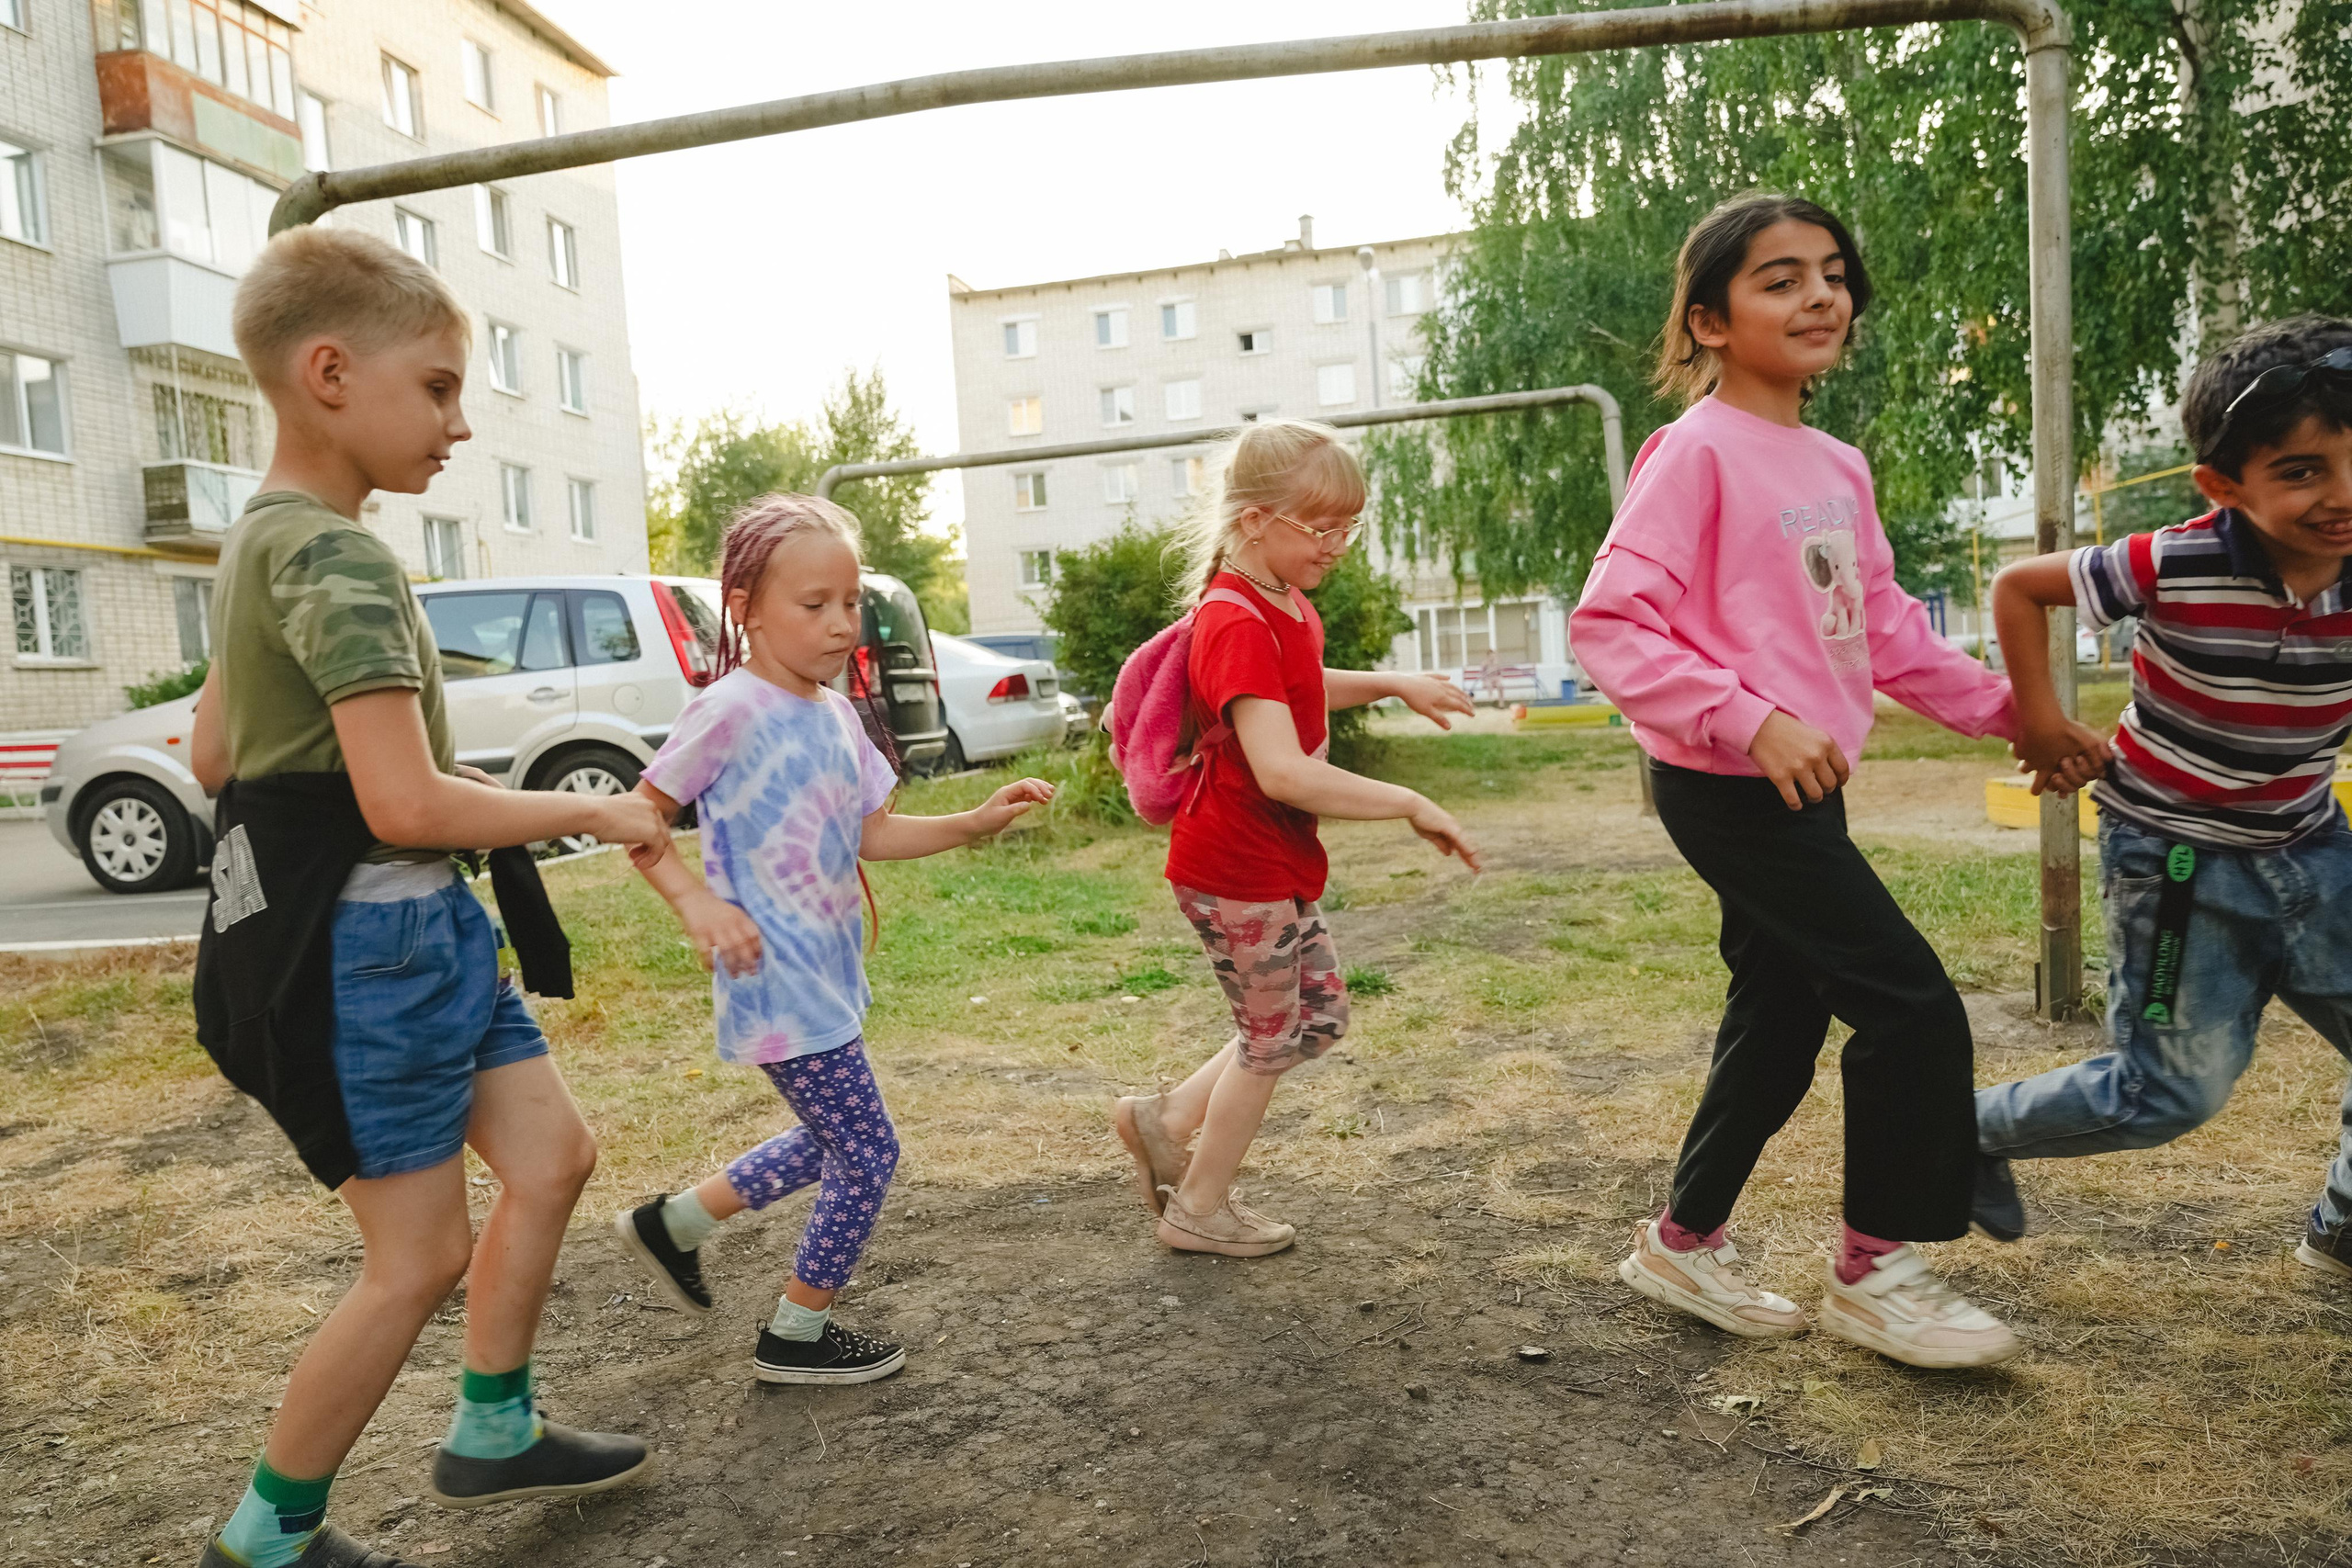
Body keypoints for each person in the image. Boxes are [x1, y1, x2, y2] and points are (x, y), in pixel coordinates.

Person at [189, 226, 671, 1568]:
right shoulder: (336, 560)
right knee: (413, 1260)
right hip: (373, 947)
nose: (462, 422)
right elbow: (403, 807)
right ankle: (266, 1533)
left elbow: (219, 756)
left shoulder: (266, 541)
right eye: (442, 386)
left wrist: (430, 777)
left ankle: (496, 1428)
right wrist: (587, 802)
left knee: (553, 1156)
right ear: (330, 371)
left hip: (417, 931)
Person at [1569, 193, 2108, 1370]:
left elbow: (1886, 634)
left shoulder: (1834, 464)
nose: (1818, 295)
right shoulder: (1696, 452)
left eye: (1831, 273)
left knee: (1780, 1015)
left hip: (1808, 782)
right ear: (1709, 322)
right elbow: (1613, 625)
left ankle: (1682, 1239)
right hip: (1728, 784)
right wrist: (1749, 719)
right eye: (1778, 279)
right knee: (1910, 1007)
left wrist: (2023, 720)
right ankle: (1876, 1269)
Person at [610, 494, 1054, 1382]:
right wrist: (696, 904)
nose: (841, 624)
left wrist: (970, 822)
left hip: (826, 970)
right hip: (771, 976)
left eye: (850, 603)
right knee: (870, 1150)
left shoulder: (838, 716)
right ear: (745, 605)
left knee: (834, 1137)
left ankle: (676, 1223)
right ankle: (795, 1334)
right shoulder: (729, 709)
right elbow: (636, 819)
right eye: (814, 605)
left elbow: (870, 834)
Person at [1973, 317, 2352, 1277]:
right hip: (2179, 862)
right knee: (2167, 1094)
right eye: (2303, 471)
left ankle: (2342, 1224)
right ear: (2225, 487)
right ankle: (1953, 1131)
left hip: (2312, 844)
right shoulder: (2174, 562)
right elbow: (2020, 588)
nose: (2341, 497)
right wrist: (2042, 723)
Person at [1112, 421, 1481, 1258]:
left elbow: (1298, 685)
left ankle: (1165, 1119)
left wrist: (1390, 683)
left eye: (1350, 525)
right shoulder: (1234, 617)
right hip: (1233, 866)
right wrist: (1409, 801)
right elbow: (1281, 768)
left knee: (1315, 1019)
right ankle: (1198, 1207)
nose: (1339, 544)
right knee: (1270, 1042)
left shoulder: (1279, 600)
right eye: (1320, 526)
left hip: (1269, 861)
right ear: (1252, 519)